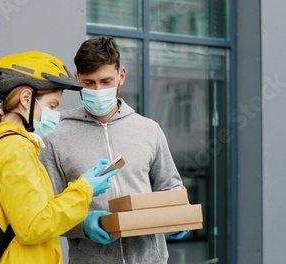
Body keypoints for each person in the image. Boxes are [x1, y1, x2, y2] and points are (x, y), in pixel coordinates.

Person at [0, 51, 120, 264]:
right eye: (52, 106)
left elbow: (31, 213)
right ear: (26, 99)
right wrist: (85, 190)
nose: (56, 114)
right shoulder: (16, 148)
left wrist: (82, 185)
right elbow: (34, 226)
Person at [39, 36, 189, 264]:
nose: (98, 90)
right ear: (77, 78)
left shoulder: (149, 129)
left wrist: (180, 212)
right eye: (89, 83)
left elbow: (170, 185)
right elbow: (47, 212)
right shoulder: (56, 135)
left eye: (106, 81)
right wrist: (84, 225)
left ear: (122, 76)